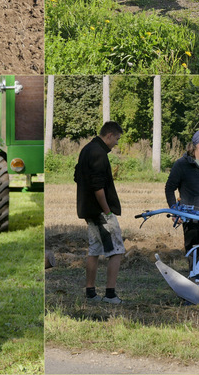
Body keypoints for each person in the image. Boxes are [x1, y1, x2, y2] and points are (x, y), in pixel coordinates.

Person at [75, 121, 124, 305]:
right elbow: (98, 186)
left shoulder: (87, 149)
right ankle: (110, 295)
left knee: (94, 249)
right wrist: (107, 211)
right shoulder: (99, 153)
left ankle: (90, 292)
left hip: (89, 211)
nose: (116, 143)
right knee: (117, 250)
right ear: (109, 135)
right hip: (100, 213)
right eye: (117, 139)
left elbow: (77, 176)